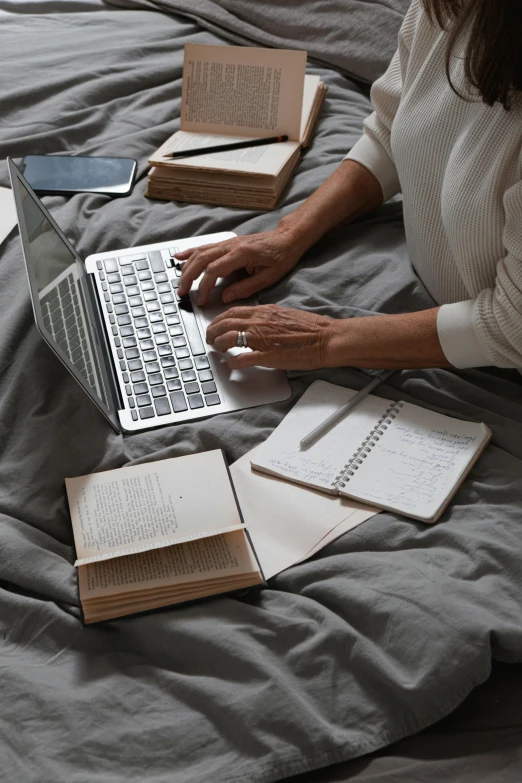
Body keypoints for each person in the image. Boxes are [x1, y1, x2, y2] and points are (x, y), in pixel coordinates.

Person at [177, 0, 522, 373]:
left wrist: (324, 340)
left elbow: (511, 327)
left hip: (491, 360)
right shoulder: (444, 9)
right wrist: (291, 233)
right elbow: (391, 128)